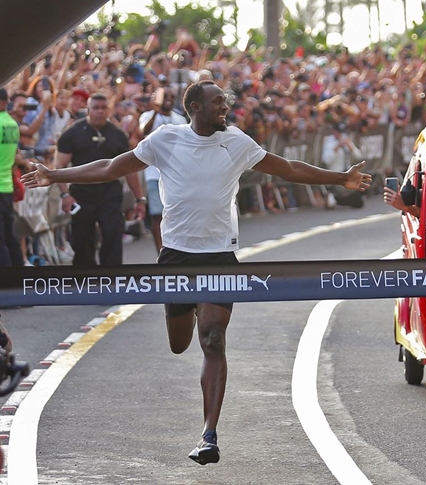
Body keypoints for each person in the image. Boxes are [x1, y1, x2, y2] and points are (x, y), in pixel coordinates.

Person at [22, 80, 371, 466]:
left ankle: (209, 435)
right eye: (217, 102)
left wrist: (341, 179)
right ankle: (186, 309)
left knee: (214, 340)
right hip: (176, 258)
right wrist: (55, 175)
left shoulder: (236, 141)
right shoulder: (165, 140)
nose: (226, 107)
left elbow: (287, 168)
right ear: (194, 107)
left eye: (226, 101)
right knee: (179, 343)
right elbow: (109, 167)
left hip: (219, 256)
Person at [55, 92, 145, 266]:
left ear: (109, 110)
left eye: (104, 108)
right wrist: (65, 195)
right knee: (82, 242)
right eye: (95, 108)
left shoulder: (118, 135)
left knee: (112, 236)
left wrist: (139, 199)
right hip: (82, 194)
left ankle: (111, 280)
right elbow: (60, 167)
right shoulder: (72, 133)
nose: (100, 112)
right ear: (88, 110)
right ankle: (84, 280)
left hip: (110, 194)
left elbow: (130, 169)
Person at [138, 86, 187, 253]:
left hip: (176, 176)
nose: (168, 98)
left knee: (176, 215)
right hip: (154, 173)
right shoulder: (147, 116)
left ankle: (176, 248)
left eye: (172, 96)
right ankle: (161, 251)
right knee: (157, 214)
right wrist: (155, 111)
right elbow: (143, 131)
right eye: (164, 95)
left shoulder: (180, 119)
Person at [0, 88, 24, 267]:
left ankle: (6, 282)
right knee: (10, 235)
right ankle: (18, 274)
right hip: (7, 186)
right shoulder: (12, 123)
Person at [321, 122, 364, 208]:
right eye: (339, 132)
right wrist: (338, 146)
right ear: (334, 132)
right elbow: (326, 160)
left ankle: (335, 198)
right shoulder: (329, 142)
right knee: (357, 202)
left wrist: (350, 147)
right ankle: (334, 198)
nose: (341, 134)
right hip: (336, 175)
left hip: (347, 174)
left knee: (361, 193)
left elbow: (359, 156)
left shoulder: (346, 140)